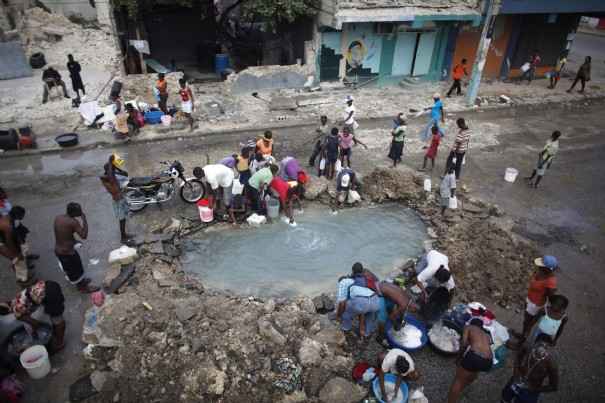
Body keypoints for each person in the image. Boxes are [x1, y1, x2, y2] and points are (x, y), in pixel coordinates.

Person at [8, 280, 67, 353]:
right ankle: (57, 332)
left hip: (48, 295)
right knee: (55, 316)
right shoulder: (17, 302)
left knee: (58, 321)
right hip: (47, 285)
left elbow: (36, 323)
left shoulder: (18, 312)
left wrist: (35, 332)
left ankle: (59, 343)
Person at [54, 203, 99, 293]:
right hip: (67, 253)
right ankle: (82, 288)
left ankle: (81, 282)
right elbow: (84, 235)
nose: (81, 212)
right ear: (74, 212)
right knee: (76, 269)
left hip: (59, 250)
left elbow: (63, 234)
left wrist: (74, 241)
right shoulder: (73, 222)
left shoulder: (58, 218)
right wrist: (84, 219)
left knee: (73, 269)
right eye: (79, 210)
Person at [501, 333, 559, 403]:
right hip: (517, 380)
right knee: (505, 398)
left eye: (545, 347)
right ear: (535, 343)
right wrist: (516, 371)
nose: (541, 350)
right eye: (539, 345)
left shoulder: (551, 364)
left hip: (530, 391)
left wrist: (535, 389)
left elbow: (553, 386)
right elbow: (518, 356)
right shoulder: (528, 348)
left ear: (548, 349)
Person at [447, 318, 493, 403]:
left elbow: (464, 344)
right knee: (474, 370)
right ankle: (461, 388)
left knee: (458, 380)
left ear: (472, 323)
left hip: (475, 356)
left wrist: (459, 358)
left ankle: (452, 398)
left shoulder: (469, 327)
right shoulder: (486, 335)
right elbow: (486, 347)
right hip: (489, 361)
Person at [335, 263, 380, 339]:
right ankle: (366, 334)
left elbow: (342, 303)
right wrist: (361, 325)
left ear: (352, 271)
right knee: (369, 314)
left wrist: (338, 316)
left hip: (362, 303)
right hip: (375, 301)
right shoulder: (365, 278)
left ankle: (345, 329)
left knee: (346, 310)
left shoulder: (344, 282)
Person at [520, 255, 558, 340]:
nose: (539, 266)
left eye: (541, 266)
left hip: (536, 305)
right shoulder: (541, 272)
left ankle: (521, 342)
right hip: (530, 300)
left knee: (528, 324)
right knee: (526, 321)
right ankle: (522, 336)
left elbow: (550, 298)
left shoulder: (550, 282)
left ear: (548, 269)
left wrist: (543, 310)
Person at [414, 249, 456, 321]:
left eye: (442, 282)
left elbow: (452, 290)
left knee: (433, 284)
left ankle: (429, 287)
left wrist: (449, 303)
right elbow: (417, 280)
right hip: (431, 254)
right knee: (418, 271)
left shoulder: (448, 277)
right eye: (440, 281)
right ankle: (416, 264)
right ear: (435, 275)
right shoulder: (431, 269)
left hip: (444, 258)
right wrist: (424, 292)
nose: (440, 283)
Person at [100, 154, 132, 244]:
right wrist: (110, 162)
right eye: (112, 169)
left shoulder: (112, 175)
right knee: (122, 220)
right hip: (117, 201)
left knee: (124, 219)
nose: (114, 170)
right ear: (108, 170)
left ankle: (124, 235)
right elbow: (111, 177)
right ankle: (123, 238)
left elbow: (125, 174)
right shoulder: (105, 178)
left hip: (121, 198)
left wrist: (116, 167)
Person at [0, 207, 34, 287]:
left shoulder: (7, 217)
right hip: (4, 245)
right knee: (18, 261)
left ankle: (24, 275)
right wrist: (17, 255)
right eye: (22, 215)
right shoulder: (8, 226)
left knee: (19, 261)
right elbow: (10, 244)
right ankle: (24, 282)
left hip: (5, 240)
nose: (23, 217)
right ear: (18, 215)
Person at [376, 281, 418, 345]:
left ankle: (387, 310)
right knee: (383, 319)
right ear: (413, 307)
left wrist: (401, 320)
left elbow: (402, 310)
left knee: (391, 307)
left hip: (382, 284)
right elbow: (391, 317)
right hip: (378, 291)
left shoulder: (408, 297)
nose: (409, 312)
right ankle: (380, 337)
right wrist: (395, 324)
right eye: (411, 311)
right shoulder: (404, 305)